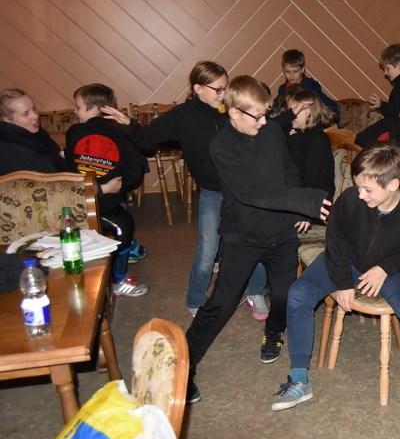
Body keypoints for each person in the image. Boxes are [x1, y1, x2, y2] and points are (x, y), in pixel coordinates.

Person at [273, 143, 400, 421]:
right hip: (345, 261)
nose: (360, 194)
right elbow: (335, 242)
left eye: (367, 190)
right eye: (358, 186)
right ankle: (299, 379)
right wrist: (343, 282)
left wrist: (384, 268)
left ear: (393, 184)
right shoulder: (351, 199)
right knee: (298, 293)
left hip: (388, 269)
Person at [185, 75, 331, 403]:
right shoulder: (222, 147)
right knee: (221, 302)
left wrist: (298, 207)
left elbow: (287, 171)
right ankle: (185, 362)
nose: (264, 122)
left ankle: (273, 332)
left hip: (281, 232)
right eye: (257, 116)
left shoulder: (270, 131)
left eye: (266, 114)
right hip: (243, 236)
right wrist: (305, 201)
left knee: (283, 295)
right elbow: (254, 193)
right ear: (234, 112)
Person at [101, 61, 270, 319]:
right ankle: (196, 300)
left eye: (225, 88)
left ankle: (256, 291)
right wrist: (128, 124)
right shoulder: (182, 115)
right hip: (212, 192)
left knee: (253, 241)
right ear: (198, 88)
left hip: (242, 190)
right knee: (207, 250)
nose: (223, 94)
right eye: (218, 89)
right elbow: (148, 139)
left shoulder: (231, 109)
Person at [64, 84, 149, 297]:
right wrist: (122, 186)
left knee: (120, 223)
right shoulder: (119, 132)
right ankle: (117, 278)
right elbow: (135, 168)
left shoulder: (74, 132)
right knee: (124, 226)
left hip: (81, 198)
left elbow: (70, 169)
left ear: (94, 108)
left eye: (78, 107)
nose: (75, 111)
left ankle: (116, 272)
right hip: (105, 200)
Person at [282, 87, 335, 199]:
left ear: (308, 112)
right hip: (301, 194)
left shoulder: (318, 140)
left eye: (293, 110)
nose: (290, 115)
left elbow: (309, 180)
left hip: (315, 200)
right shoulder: (297, 134)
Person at [0, 89, 66, 175]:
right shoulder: (8, 149)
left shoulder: (39, 135)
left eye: (34, 109)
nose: (35, 116)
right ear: (7, 119)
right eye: (26, 113)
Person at [275, 49, 339, 123]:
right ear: (283, 70)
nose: (291, 75)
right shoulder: (283, 89)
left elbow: (332, 107)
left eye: (295, 71)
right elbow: (276, 110)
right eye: (287, 71)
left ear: (302, 70)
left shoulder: (310, 86)